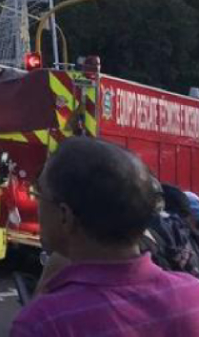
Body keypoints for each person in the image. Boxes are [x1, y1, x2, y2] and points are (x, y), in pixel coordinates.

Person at [11, 137, 199, 336]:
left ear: (65, 215)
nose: (37, 206)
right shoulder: (192, 296)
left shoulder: (43, 323)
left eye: (39, 195)